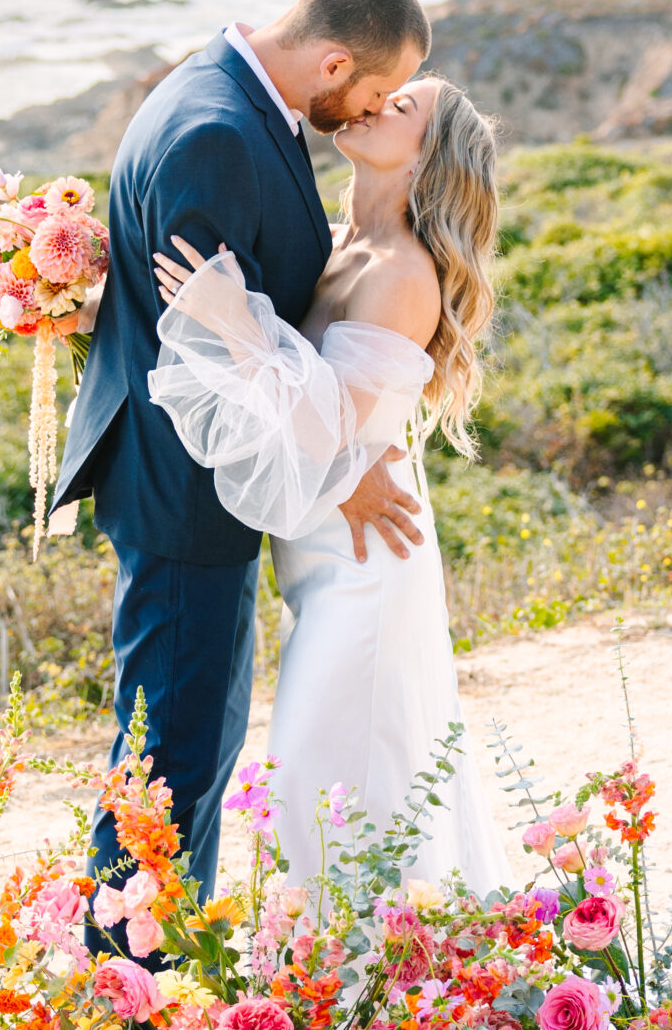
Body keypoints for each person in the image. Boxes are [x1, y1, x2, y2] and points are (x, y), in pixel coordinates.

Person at [51, 0, 432, 916]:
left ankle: (149, 984)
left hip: (188, 485)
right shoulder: (219, 133)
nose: (363, 116)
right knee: (171, 762)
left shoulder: (221, 93)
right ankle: (131, 996)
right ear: (335, 60)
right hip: (183, 493)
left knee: (185, 749)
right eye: (372, 94)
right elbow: (206, 357)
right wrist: (341, 470)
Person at [149, 71, 504, 892]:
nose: (375, 103)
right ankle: (371, 982)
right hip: (317, 552)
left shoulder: (402, 273)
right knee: (335, 780)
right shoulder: (340, 243)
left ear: (426, 158)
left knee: (320, 774)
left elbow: (322, 428)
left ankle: (352, 989)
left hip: (365, 563)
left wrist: (235, 322)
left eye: (402, 107)